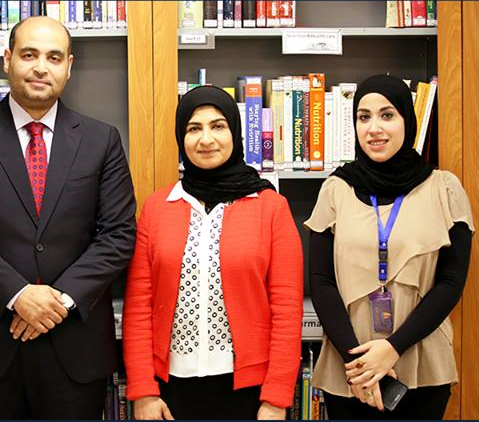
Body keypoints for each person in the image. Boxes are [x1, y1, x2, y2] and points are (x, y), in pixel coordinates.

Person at [0, 16, 136, 419]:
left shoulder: (101, 140)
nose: (41, 67)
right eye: (29, 55)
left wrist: (58, 301)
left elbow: (118, 234)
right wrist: (19, 295)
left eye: (54, 57)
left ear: (69, 67)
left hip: (73, 344)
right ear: (8, 60)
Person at [123, 85, 304, 420]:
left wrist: (277, 398)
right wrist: (143, 391)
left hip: (249, 391)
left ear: (235, 132)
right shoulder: (157, 208)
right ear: (181, 138)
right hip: (170, 388)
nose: (206, 139)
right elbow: (138, 307)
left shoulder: (270, 208)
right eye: (194, 128)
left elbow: (287, 311)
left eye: (218, 126)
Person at [305, 74, 474, 419]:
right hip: (349, 369)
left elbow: (451, 282)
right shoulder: (335, 189)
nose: (374, 128)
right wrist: (360, 365)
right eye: (363, 117)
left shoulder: (444, 189)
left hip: (421, 363)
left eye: (387, 115)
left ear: (407, 121)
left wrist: (392, 349)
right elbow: (321, 282)